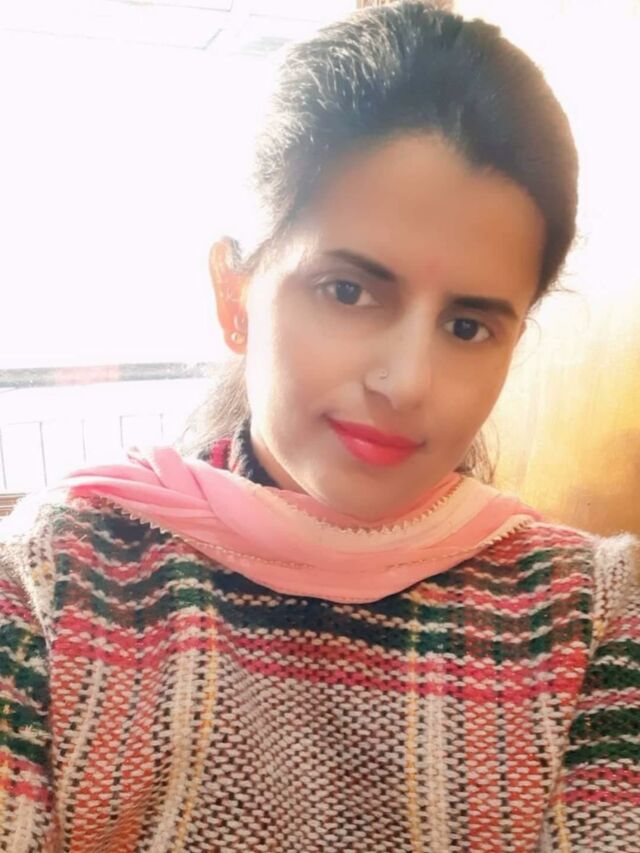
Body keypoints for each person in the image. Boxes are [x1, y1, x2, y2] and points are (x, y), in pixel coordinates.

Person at [1, 2, 638, 850]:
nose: (406, 382)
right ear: (235, 295)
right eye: (348, 290)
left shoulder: (590, 615)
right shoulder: (62, 578)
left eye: (467, 326)